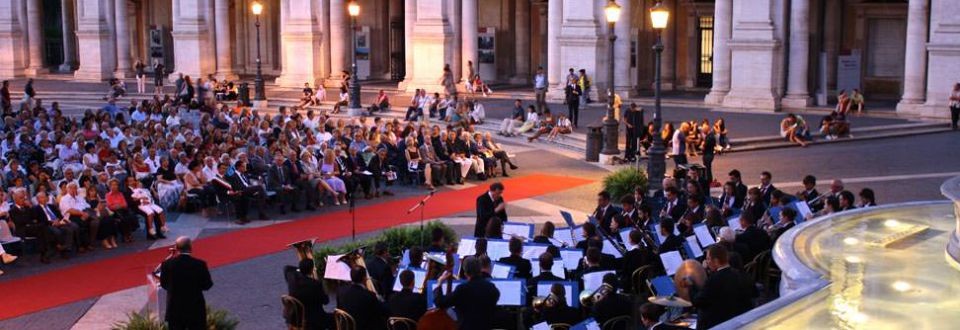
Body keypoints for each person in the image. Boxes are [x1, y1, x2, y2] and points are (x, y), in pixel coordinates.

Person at [693, 245, 755, 330]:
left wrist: (691, 286)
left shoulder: (714, 280)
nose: (706, 262)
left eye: (708, 259)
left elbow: (697, 301)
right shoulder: (740, 274)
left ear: (716, 261)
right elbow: (755, 293)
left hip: (720, 323)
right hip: (743, 320)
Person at [160, 237, 214, 330]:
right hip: (195, 308)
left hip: (174, 308)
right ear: (191, 247)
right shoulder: (200, 264)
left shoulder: (167, 264)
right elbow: (207, 285)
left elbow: (164, 284)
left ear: (176, 248)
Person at [434, 256, 500, 330]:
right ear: (479, 269)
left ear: (465, 273)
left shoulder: (462, 289)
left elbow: (440, 303)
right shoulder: (492, 288)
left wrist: (439, 284)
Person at [284, 258, 329, 330]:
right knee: (335, 320)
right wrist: (323, 287)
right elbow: (326, 301)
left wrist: (301, 269)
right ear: (311, 270)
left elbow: (287, 268)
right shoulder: (315, 284)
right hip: (312, 320)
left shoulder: (291, 276)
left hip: (294, 317)